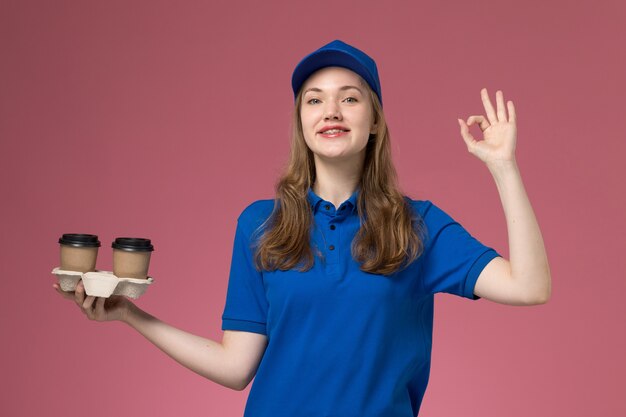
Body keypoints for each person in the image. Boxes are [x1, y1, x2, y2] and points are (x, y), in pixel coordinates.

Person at [54, 39, 551, 417]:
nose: (331, 111)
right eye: (314, 100)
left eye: (350, 99)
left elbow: (529, 287)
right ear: (302, 121)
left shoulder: (417, 225)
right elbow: (235, 367)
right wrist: (130, 317)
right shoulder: (260, 225)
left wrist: (504, 168)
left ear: (375, 120)